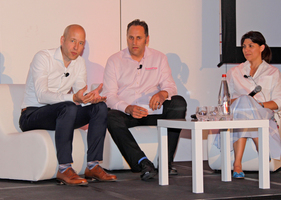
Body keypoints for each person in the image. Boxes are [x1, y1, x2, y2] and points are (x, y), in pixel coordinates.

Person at [19, 24, 117, 186]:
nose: (76, 47)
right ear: (62, 40)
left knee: (99, 108)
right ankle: (64, 168)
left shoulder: (79, 63)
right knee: (69, 106)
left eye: (81, 43)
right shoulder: (43, 57)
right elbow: (42, 95)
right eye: (72, 41)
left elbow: (79, 96)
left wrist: (91, 98)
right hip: (32, 115)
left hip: (61, 113)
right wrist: (74, 98)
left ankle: (93, 165)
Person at [102, 19, 187, 181]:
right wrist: (127, 108)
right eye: (130, 38)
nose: (134, 42)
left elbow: (170, 86)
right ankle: (142, 163)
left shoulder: (159, 58)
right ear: (126, 38)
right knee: (110, 116)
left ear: (147, 39)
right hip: (127, 113)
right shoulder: (114, 60)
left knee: (178, 102)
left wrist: (162, 94)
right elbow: (109, 96)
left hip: (153, 111)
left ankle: (165, 162)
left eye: (139, 38)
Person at [226, 31, 281, 178]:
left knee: (247, 102)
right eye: (244, 46)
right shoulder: (235, 72)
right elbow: (226, 100)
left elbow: (280, 101)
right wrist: (244, 101)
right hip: (237, 112)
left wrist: (257, 104)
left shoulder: (273, 72)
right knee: (244, 101)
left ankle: (237, 164)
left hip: (263, 113)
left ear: (261, 48)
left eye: (251, 46)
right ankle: (262, 151)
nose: (246, 50)